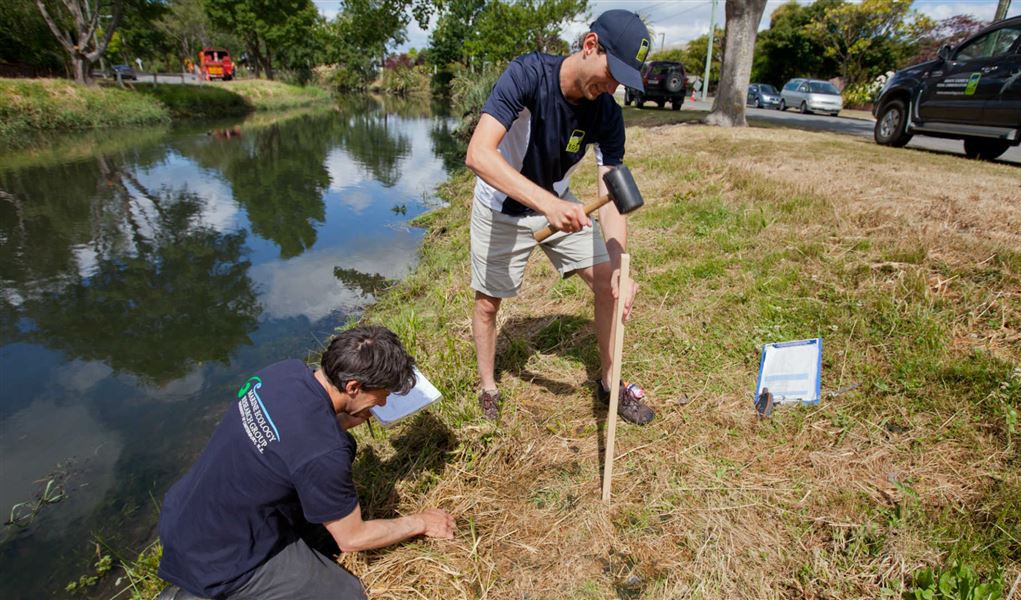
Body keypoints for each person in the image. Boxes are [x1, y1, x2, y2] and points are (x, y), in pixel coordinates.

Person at [156, 325, 456, 600]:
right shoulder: (324, 451)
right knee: (346, 595)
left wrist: (336, 423)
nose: (383, 403)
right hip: (225, 558)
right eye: (382, 394)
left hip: (184, 513)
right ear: (353, 387)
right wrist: (420, 522)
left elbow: (286, 436)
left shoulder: (282, 372)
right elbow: (353, 538)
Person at [465, 9, 655, 425]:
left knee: (609, 284)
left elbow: (612, 191)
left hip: (556, 199)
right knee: (487, 305)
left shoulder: (607, 112)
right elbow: (478, 154)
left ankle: (609, 381)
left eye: (624, 79)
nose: (614, 86)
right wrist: (546, 205)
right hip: (501, 205)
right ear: (590, 45)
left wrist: (621, 263)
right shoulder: (527, 74)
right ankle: (488, 387)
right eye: (612, 72)